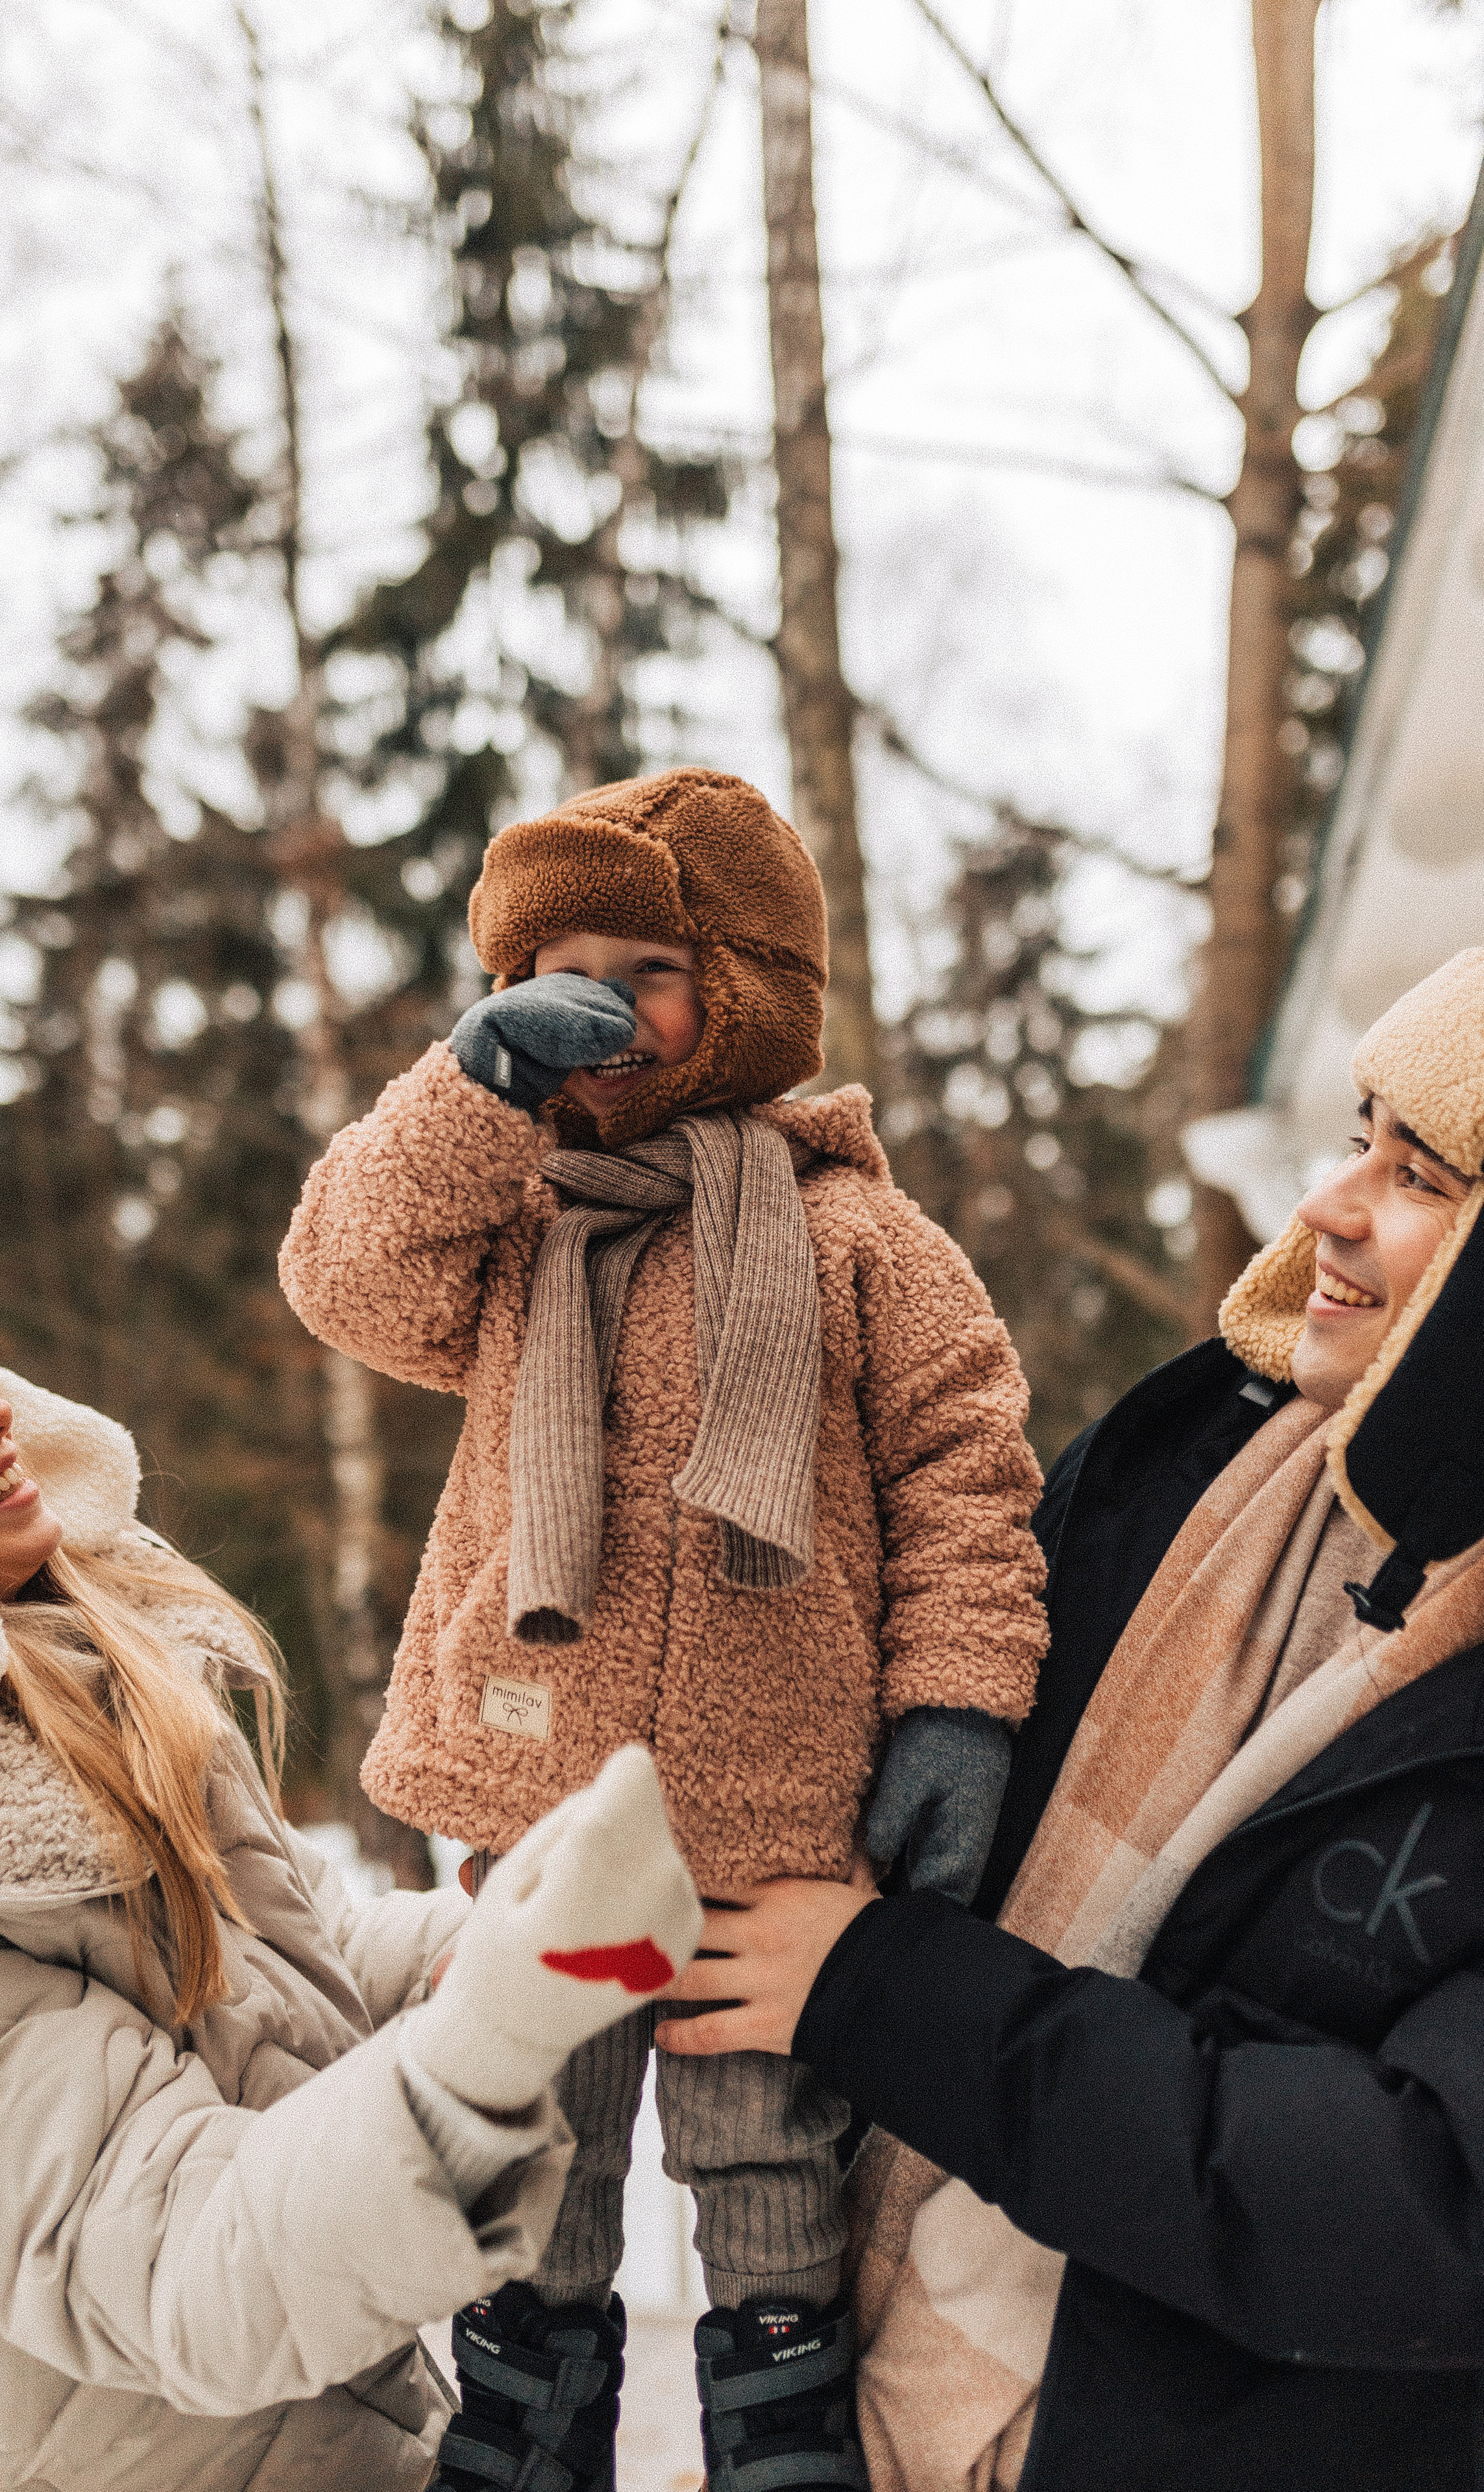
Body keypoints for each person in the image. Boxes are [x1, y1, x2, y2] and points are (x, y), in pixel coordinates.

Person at [278, 764, 1050, 2492]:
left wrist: (958, 1705)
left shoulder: (860, 1234)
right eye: (554, 976)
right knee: (537, 2113)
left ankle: (779, 2418)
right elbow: (343, 1271)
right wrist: (470, 1095)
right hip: (538, 1784)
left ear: (753, 993)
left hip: (779, 1810)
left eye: (649, 969)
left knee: (765, 2135)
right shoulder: (508, 1221)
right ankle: (526, 2411)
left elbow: (965, 1475)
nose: (601, 1010)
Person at [656, 944, 1484, 2492]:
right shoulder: (1193, 1458)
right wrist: (600, 1811)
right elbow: (882, 1727)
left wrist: (888, 1998)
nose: (1326, 1206)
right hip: (855, 2410)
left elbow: (1423, 2210)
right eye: (1355, 1136)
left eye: (1421, 1176)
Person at [0, 1188, 701, 2492]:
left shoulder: (45, 1685)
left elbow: (245, 1979)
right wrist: (493, 2037)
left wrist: (499, 1933)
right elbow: (174, 2258)